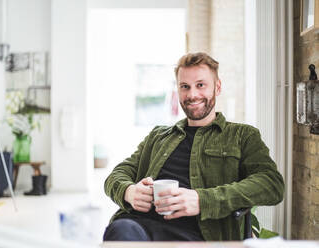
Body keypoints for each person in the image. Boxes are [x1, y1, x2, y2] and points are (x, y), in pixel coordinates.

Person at [103, 52, 285, 241]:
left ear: (217, 87)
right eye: (185, 86)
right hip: (137, 229)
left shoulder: (242, 136)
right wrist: (128, 191)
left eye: (200, 85)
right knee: (121, 230)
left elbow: (271, 184)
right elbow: (117, 175)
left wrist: (201, 200)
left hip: (197, 236)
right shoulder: (158, 136)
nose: (192, 94)